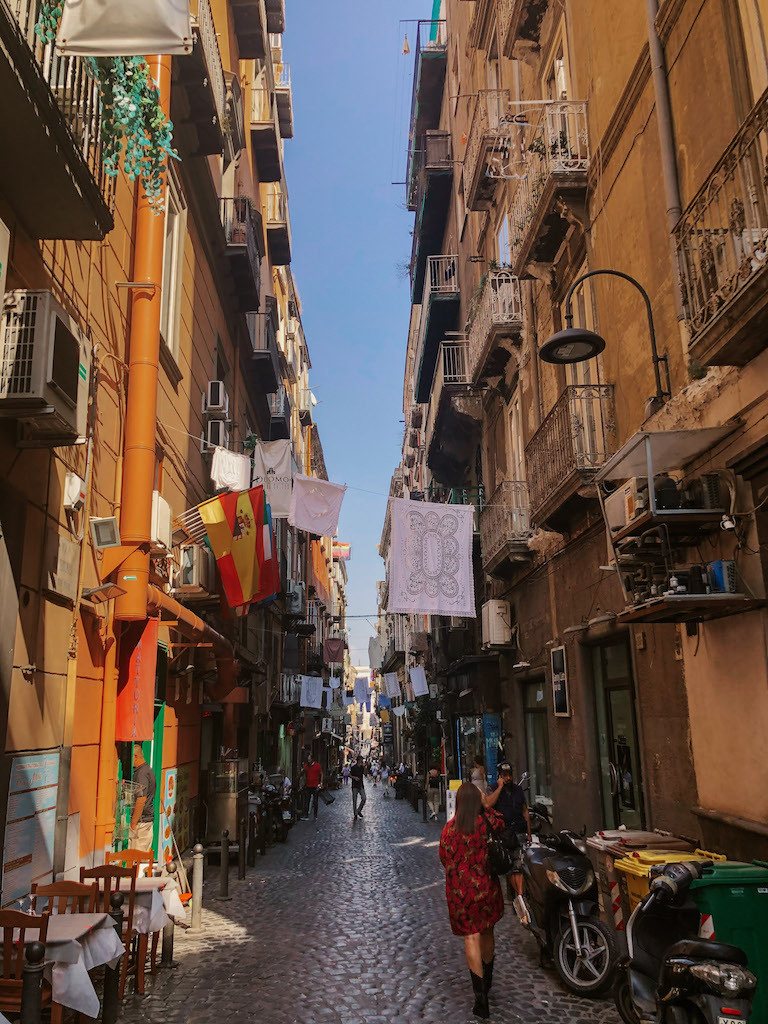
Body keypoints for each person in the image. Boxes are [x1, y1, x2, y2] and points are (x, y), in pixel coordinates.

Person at [439, 782, 504, 1019]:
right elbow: (501, 822)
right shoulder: (486, 824)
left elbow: (444, 858)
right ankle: (486, 982)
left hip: (460, 894)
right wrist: (486, 806)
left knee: (471, 936)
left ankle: (480, 998)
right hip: (486, 889)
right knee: (487, 932)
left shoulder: (449, 830)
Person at [483, 762, 531, 897]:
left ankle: (520, 896)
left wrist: (529, 832)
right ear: (500, 776)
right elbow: (487, 804)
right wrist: (499, 788)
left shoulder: (518, 790)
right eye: (504, 775)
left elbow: (525, 811)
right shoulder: (492, 789)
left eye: (509, 775)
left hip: (519, 831)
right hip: (504, 834)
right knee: (510, 867)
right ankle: (518, 896)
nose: (508, 778)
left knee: (519, 866)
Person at [130, 744, 156, 854]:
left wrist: (133, 823)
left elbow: (141, 799)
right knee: (142, 858)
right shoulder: (147, 770)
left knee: (137, 859)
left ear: (135, 756)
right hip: (146, 820)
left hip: (141, 822)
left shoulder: (142, 773)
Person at [302, 754, 323, 820]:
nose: (308, 761)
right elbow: (303, 772)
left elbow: (321, 774)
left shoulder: (317, 766)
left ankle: (315, 815)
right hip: (308, 785)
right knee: (307, 800)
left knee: (315, 801)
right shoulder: (306, 766)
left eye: (309, 760)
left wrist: (321, 783)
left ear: (312, 759)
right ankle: (306, 815)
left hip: (315, 786)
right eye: (308, 760)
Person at [350, 754, 367, 819]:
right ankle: (355, 814)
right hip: (354, 785)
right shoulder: (353, 767)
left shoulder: (362, 767)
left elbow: (365, 774)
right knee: (354, 800)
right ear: (358, 761)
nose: (362, 761)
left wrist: (365, 767)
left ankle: (359, 810)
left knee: (364, 798)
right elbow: (350, 775)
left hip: (360, 785)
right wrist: (354, 778)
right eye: (361, 760)